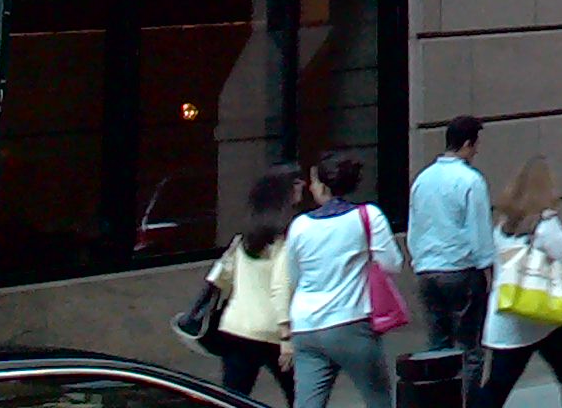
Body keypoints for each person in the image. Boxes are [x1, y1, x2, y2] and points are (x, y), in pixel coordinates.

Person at [282, 152, 404, 408]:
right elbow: (392, 263)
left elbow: (293, 276)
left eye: (314, 181)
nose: (311, 187)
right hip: (350, 321)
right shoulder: (368, 216)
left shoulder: (299, 225)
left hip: (305, 326)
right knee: (378, 399)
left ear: (323, 186)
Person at [479, 159, 562, 408]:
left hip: (510, 315)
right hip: (547, 314)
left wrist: (559, 272)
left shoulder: (503, 225)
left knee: (497, 386)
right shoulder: (545, 223)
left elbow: (517, 264)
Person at [204, 164, 301, 400]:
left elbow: (222, 279)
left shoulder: (246, 236)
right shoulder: (285, 238)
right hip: (273, 331)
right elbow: (281, 286)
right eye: (297, 183)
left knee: (233, 398)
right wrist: (286, 336)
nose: (303, 186)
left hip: (236, 326)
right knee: (301, 397)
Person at [410, 117, 496, 358]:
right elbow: (479, 231)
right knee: (469, 347)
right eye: (476, 144)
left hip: (427, 270)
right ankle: (467, 385)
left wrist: (419, 261)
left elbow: (415, 225)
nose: (477, 150)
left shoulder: (422, 179)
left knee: (438, 346)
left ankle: (441, 383)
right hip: (461, 269)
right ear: (468, 144)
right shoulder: (471, 180)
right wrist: (490, 269)